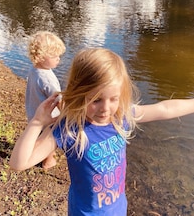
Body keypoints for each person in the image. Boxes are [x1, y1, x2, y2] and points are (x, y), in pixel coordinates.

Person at [10, 47, 194, 215]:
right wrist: (36, 122)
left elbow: (165, 109)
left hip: (118, 208)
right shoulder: (70, 129)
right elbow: (19, 163)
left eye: (113, 99)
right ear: (79, 93)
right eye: (96, 100)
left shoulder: (121, 117)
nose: (105, 108)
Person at [25, 30, 66, 169]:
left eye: (59, 55)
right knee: (50, 138)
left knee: (39, 136)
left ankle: (32, 154)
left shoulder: (34, 70)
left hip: (34, 111)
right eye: (54, 56)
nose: (58, 59)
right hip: (48, 117)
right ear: (40, 57)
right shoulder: (46, 78)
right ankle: (48, 161)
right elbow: (58, 99)